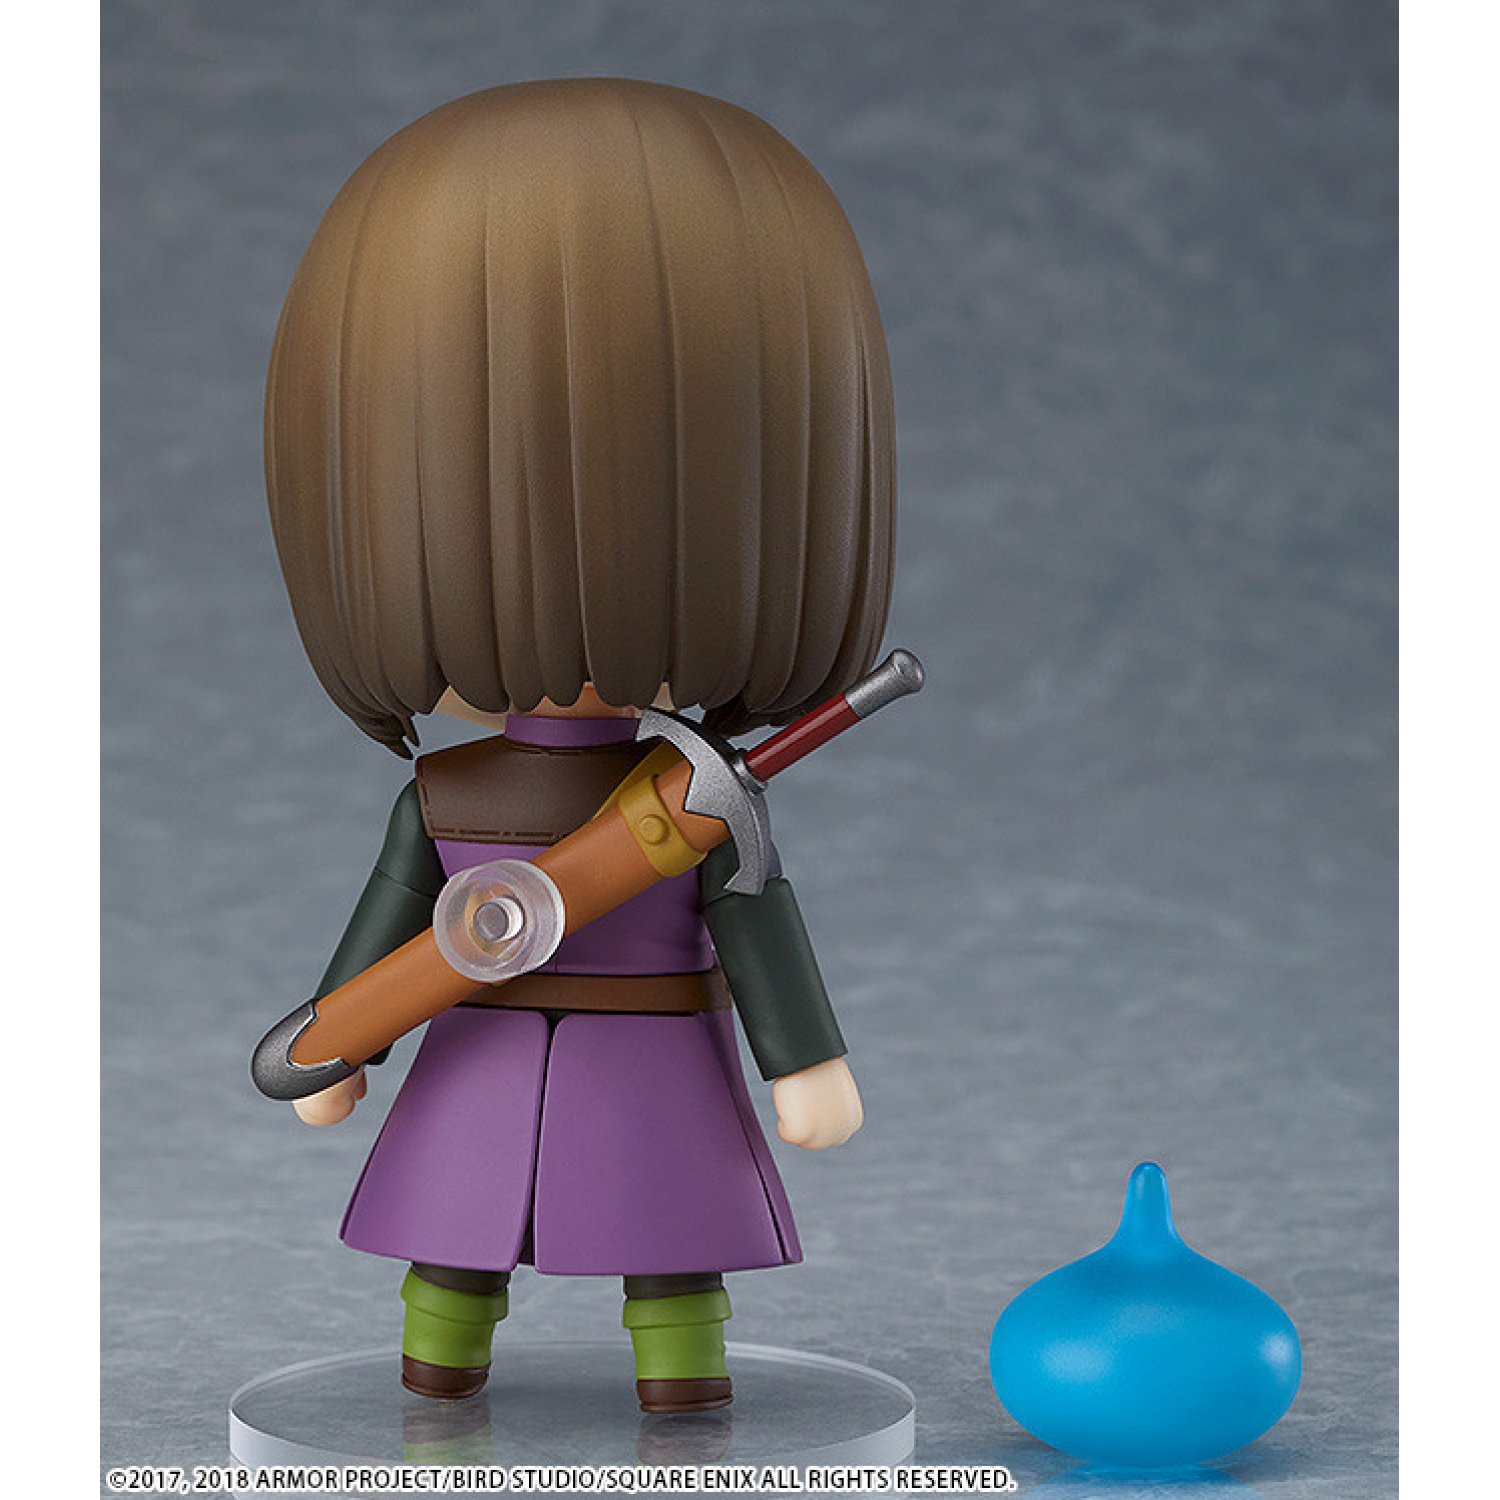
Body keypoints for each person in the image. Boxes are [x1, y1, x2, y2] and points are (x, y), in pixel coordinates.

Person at [264, 78, 896, 1413]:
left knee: (670, 1246)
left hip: (652, 1049)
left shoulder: (694, 798)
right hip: (476, 1034)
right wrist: (343, 1034)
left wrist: (805, 1060)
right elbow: (390, 919)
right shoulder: (450, 791)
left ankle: (679, 1387)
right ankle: (446, 1358)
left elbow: (756, 925)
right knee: (454, 1243)